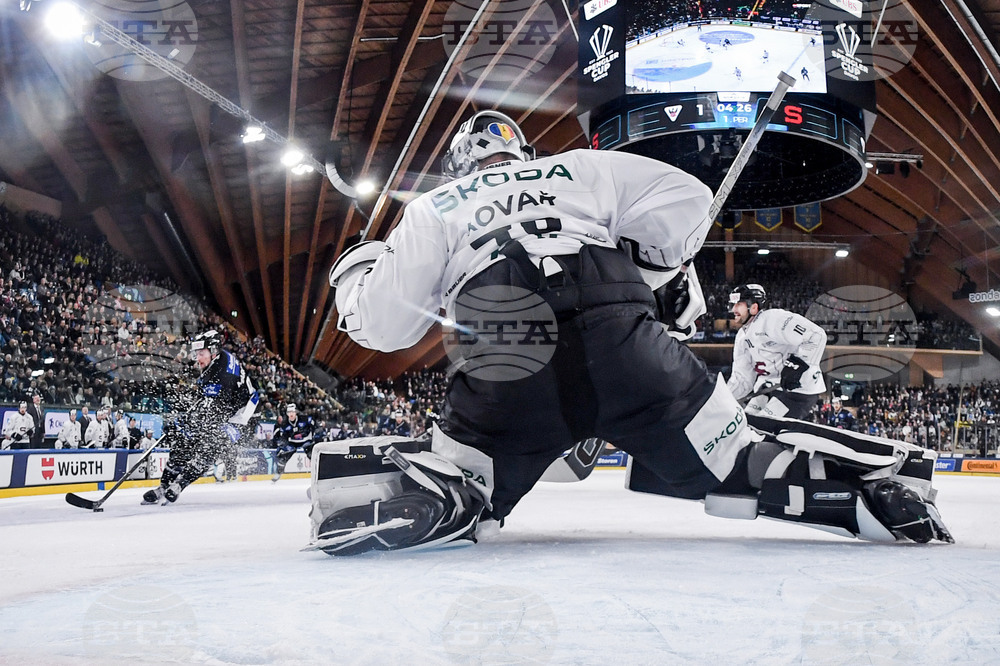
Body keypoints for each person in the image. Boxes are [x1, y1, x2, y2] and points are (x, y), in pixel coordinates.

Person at [318, 110, 951, 556]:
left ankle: (456, 494)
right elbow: (688, 202)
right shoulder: (578, 169)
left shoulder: (436, 206)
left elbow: (385, 325)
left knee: (473, 475)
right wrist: (647, 264)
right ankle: (860, 497)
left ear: (461, 165)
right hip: (622, 333)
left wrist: (356, 275)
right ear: (526, 154)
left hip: (505, 351)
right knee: (731, 466)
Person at [142, 330, 258, 505]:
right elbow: (204, 402)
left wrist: (187, 424)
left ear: (213, 351)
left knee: (211, 444)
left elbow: (216, 412)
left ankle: (179, 485)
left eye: (201, 353)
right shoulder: (214, 363)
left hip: (241, 416)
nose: (198, 358)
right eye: (196, 353)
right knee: (184, 441)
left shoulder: (224, 373)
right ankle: (164, 487)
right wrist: (183, 423)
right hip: (223, 406)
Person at [726, 284, 827, 420]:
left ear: (754, 307)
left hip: (797, 391)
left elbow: (816, 335)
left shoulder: (773, 319)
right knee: (744, 424)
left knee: (762, 429)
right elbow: (742, 380)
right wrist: (721, 399)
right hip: (768, 388)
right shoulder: (742, 337)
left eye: (738, 304)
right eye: (733, 304)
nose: (734, 309)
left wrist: (798, 365)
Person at [271, 403, 318, 481]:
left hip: (306, 441)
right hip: (292, 443)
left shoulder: (305, 419)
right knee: (283, 458)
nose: (291, 414)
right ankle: (278, 473)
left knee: (312, 455)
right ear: (287, 414)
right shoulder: (284, 424)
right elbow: (282, 437)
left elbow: (315, 426)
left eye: (292, 412)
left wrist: (314, 435)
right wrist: (282, 445)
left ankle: (318, 471)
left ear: (296, 412)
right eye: (289, 412)